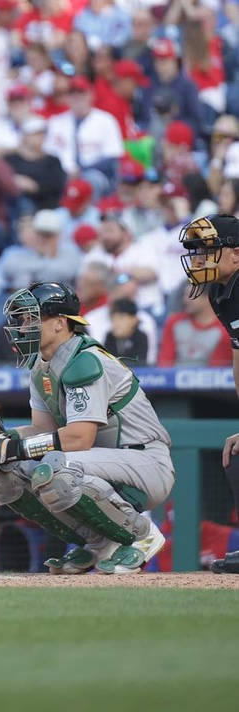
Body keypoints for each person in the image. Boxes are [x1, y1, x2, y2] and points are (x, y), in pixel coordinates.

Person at [0, 282, 173, 575]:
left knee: (56, 470)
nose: (22, 327)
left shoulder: (85, 360)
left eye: (31, 319)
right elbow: (41, 430)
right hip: (101, 462)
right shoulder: (41, 366)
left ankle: (142, 534)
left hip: (145, 462)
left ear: (60, 323)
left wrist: (10, 447)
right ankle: (99, 542)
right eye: (21, 320)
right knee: (6, 474)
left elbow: (79, 438)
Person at [178, 213, 239, 572]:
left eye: (208, 250)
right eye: (197, 252)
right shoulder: (220, 291)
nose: (199, 259)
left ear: (236, 254)